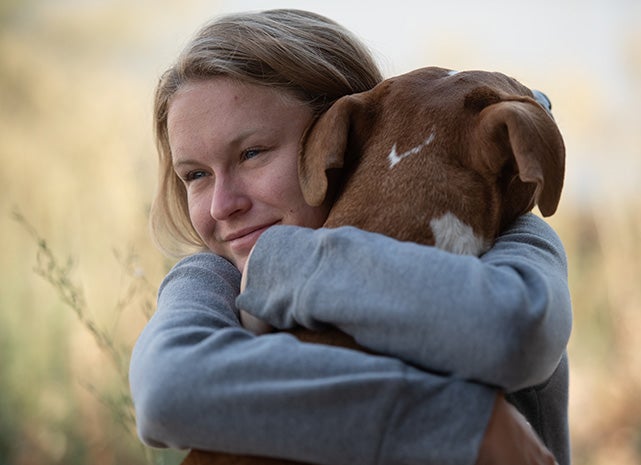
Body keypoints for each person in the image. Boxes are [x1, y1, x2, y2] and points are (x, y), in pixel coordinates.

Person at [129, 9, 572, 465]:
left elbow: (517, 335)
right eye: (196, 174)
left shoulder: (506, 236)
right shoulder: (212, 277)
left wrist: (285, 263)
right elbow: (167, 391)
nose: (224, 205)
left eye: (252, 153)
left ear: (343, 135)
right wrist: (461, 426)